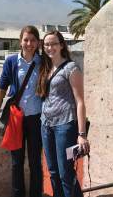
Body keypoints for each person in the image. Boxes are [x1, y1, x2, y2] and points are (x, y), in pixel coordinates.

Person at [0, 25, 43, 197]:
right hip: (16, 118)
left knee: (36, 162)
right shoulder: (11, 62)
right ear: (20, 41)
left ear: (38, 42)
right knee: (16, 162)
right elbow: (2, 89)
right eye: (26, 40)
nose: (29, 43)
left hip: (36, 119)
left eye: (33, 40)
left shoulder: (43, 62)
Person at [37, 30, 90, 197]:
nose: (49, 47)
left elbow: (80, 101)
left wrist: (81, 134)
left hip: (65, 126)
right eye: (46, 44)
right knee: (52, 171)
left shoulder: (70, 68)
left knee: (66, 173)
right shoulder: (46, 68)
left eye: (53, 43)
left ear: (61, 45)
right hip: (46, 125)